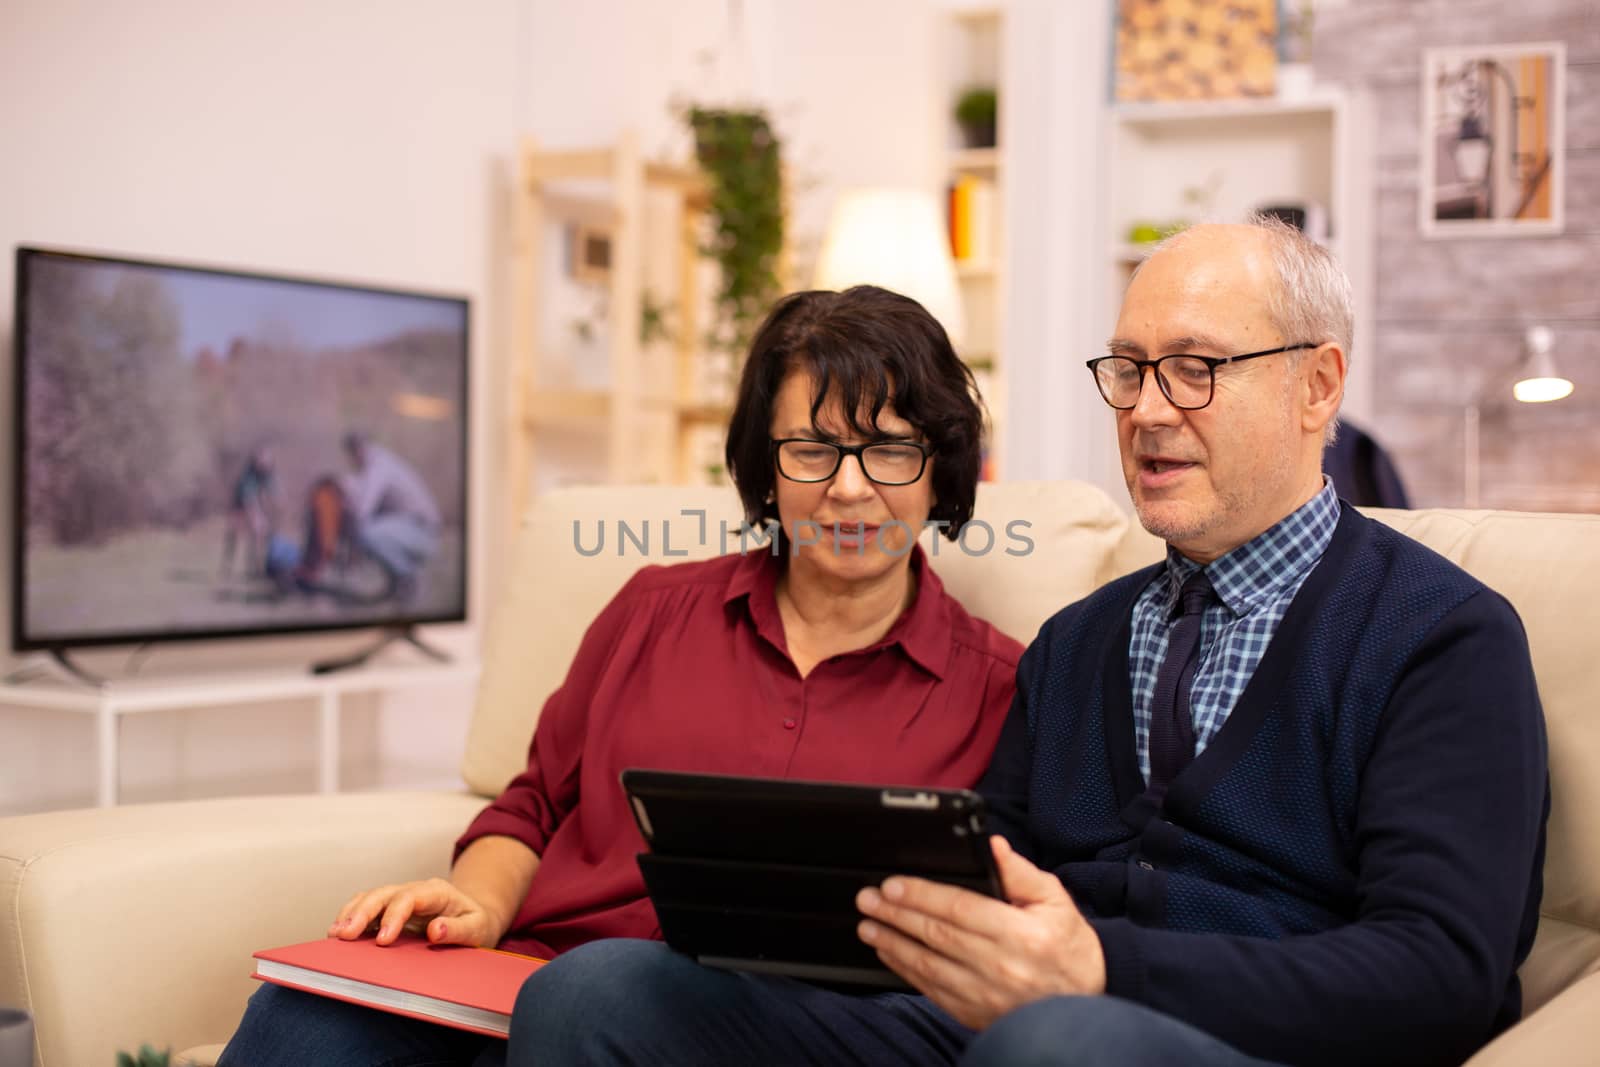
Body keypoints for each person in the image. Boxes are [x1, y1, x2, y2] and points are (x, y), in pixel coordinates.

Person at [514, 219, 1549, 1067]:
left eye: (1191, 370)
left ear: (1316, 384)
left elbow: (1443, 971)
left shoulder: (1441, 636)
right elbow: (989, 871)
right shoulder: (1076, 640)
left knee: (1054, 1041)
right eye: (1129, 370)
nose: (1145, 410)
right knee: (598, 992)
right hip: (990, 1024)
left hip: (1230, 1039)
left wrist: (1096, 970)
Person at [215, 284, 1024, 1067]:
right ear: (766, 469)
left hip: (747, 1029)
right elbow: (531, 803)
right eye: (812, 450)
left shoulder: (998, 689)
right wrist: (481, 903)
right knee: (305, 1009)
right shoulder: (652, 611)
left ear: (939, 465)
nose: (849, 488)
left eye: (887, 449)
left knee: (593, 992)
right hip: (521, 988)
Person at [339, 432, 442, 601]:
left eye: (352, 452)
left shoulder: (378, 466)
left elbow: (363, 510)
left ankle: (409, 578)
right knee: (372, 531)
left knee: (367, 534)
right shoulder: (377, 463)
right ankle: (396, 585)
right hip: (410, 529)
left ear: (357, 449)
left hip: (422, 532)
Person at [220, 443, 280, 577]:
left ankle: (254, 568)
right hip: (239, 506)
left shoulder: (268, 474)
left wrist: (274, 511)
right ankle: (227, 567)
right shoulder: (248, 475)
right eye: (262, 459)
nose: (265, 462)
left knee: (258, 536)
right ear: (256, 460)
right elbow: (249, 499)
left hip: (256, 505)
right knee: (234, 536)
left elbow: (275, 493)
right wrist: (258, 517)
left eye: (268, 459)